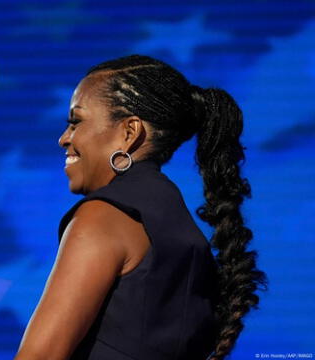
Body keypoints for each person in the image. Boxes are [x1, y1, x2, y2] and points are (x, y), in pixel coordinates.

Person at [15, 55, 266, 360]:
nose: (63, 138)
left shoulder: (103, 217)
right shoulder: (184, 232)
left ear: (129, 133)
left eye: (76, 121)